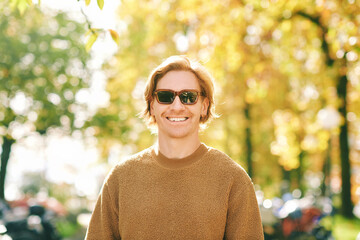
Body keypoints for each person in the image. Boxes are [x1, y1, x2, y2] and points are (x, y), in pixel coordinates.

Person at [85, 55, 264, 239]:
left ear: (204, 105)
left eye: (188, 97)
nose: (177, 106)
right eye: (165, 96)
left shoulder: (233, 180)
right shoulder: (120, 179)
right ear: (152, 105)